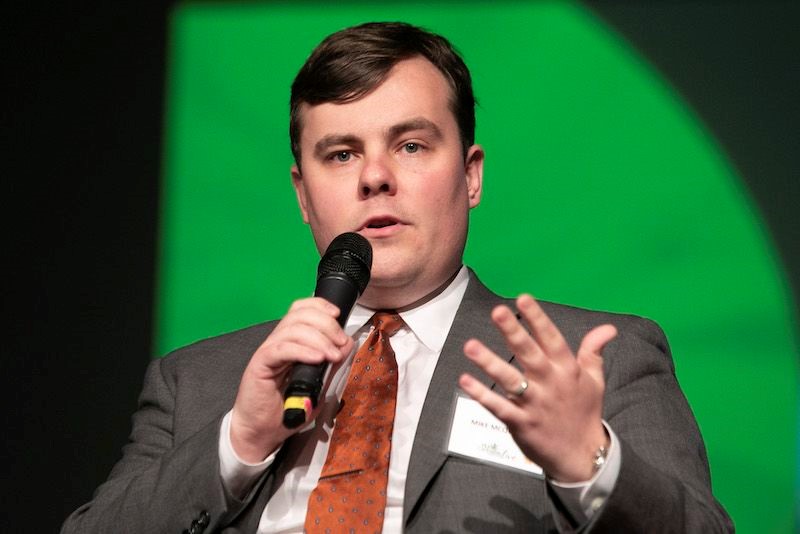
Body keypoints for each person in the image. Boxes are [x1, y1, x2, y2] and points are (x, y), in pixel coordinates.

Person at [62, 21, 733, 533]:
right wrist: (240, 442)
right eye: (341, 152)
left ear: (470, 175)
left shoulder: (595, 363)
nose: (375, 176)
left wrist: (591, 464)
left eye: (410, 146)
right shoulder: (197, 383)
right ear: (303, 195)